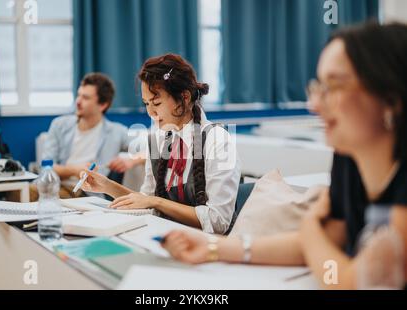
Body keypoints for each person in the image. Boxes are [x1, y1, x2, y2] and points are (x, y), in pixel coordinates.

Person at [160, 22, 407, 289]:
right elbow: (322, 252)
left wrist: (311, 224)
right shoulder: (349, 159)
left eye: (334, 87)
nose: (314, 105)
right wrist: (214, 248)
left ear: (391, 99)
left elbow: (344, 280)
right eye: (318, 87)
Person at [80, 54, 241, 234]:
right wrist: (107, 186)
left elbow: (218, 221)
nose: (150, 112)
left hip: (209, 246)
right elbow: (147, 202)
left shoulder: (218, 140)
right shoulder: (157, 139)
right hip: (167, 237)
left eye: (156, 102)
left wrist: (157, 201)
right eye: (146, 103)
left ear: (184, 97)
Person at [32, 73, 144, 201]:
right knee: (20, 191)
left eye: (85, 98)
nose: (78, 101)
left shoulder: (116, 132)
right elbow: (46, 167)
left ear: (103, 105)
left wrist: (130, 161)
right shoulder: (59, 125)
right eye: (78, 95)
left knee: (28, 195)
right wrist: (75, 170)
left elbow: (150, 149)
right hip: (55, 185)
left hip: (85, 192)